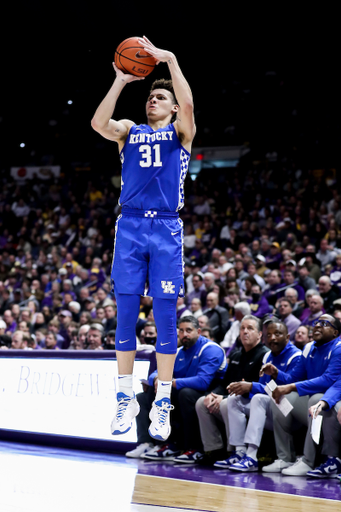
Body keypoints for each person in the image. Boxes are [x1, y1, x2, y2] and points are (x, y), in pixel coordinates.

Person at [91, 36, 196, 440]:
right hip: (131, 225)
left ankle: (163, 401)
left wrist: (169, 60)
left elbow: (187, 107)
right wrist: (119, 81)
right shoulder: (129, 131)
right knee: (126, 311)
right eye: (150, 95)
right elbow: (99, 124)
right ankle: (124, 397)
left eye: (159, 96)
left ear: (171, 109)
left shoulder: (180, 134)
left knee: (165, 316)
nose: (153, 99)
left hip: (167, 226)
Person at [125, 316, 226, 461]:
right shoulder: (178, 351)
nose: (185, 334)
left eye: (189, 330)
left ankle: (194, 448)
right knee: (144, 396)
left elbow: (203, 381)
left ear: (198, 331)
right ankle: (153, 443)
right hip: (186, 392)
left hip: (211, 392)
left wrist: (170, 382)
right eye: (182, 330)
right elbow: (157, 371)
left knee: (185, 394)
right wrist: (155, 379)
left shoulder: (211, 349)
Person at [261, 314, 341, 475]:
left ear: (335, 332)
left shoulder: (338, 348)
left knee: (316, 398)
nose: (317, 326)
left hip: (330, 401)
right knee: (279, 398)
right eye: (316, 322)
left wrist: (290, 387)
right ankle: (285, 457)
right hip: (315, 405)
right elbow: (294, 378)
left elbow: (328, 380)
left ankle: (308, 461)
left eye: (324, 323)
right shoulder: (308, 348)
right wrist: (277, 374)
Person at [216, 321, 301, 472]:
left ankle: (252, 456)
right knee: (233, 399)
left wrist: (252, 386)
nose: (272, 338)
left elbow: (290, 389)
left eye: (277, 334)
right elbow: (265, 388)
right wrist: (245, 388)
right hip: (272, 407)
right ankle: (239, 452)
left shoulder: (296, 356)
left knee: (258, 398)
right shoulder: (268, 355)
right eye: (269, 335)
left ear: (287, 337)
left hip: (289, 411)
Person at [195, 315, 269, 466]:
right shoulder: (236, 354)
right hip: (232, 399)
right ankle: (213, 450)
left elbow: (261, 389)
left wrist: (223, 397)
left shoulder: (265, 355)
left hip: (253, 404)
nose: (245, 332)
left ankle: (235, 451)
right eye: (242, 328)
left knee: (227, 403)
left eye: (250, 328)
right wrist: (214, 394)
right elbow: (224, 383)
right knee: (201, 402)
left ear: (260, 334)